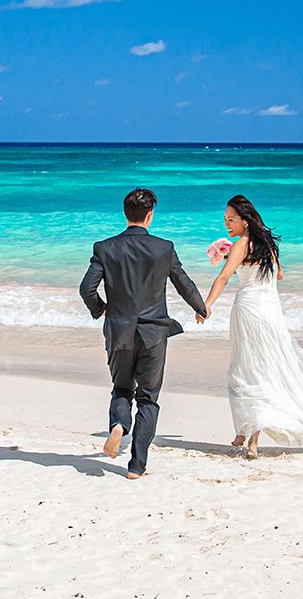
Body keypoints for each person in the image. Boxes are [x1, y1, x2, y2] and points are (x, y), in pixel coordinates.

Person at [201, 194, 303, 457]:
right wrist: (240, 262)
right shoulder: (268, 245)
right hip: (271, 313)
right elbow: (278, 274)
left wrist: (207, 305)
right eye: (225, 220)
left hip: (248, 310)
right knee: (264, 369)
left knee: (245, 371)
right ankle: (246, 434)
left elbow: (223, 278)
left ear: (245, 221)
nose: (226, 225)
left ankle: (249, 436)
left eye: (231, 220)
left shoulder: (240, 245)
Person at [78, 187, 209, 480]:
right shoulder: (164, 248)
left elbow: (86, 289)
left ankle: (118, 426)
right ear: (150, 216)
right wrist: (200, 307)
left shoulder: (104, 247)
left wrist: (102, 310)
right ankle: (136, 465)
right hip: (153, 335)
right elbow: (183, 282)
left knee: (122, 389)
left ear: (126, 214)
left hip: (119, 333)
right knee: (148, 398)